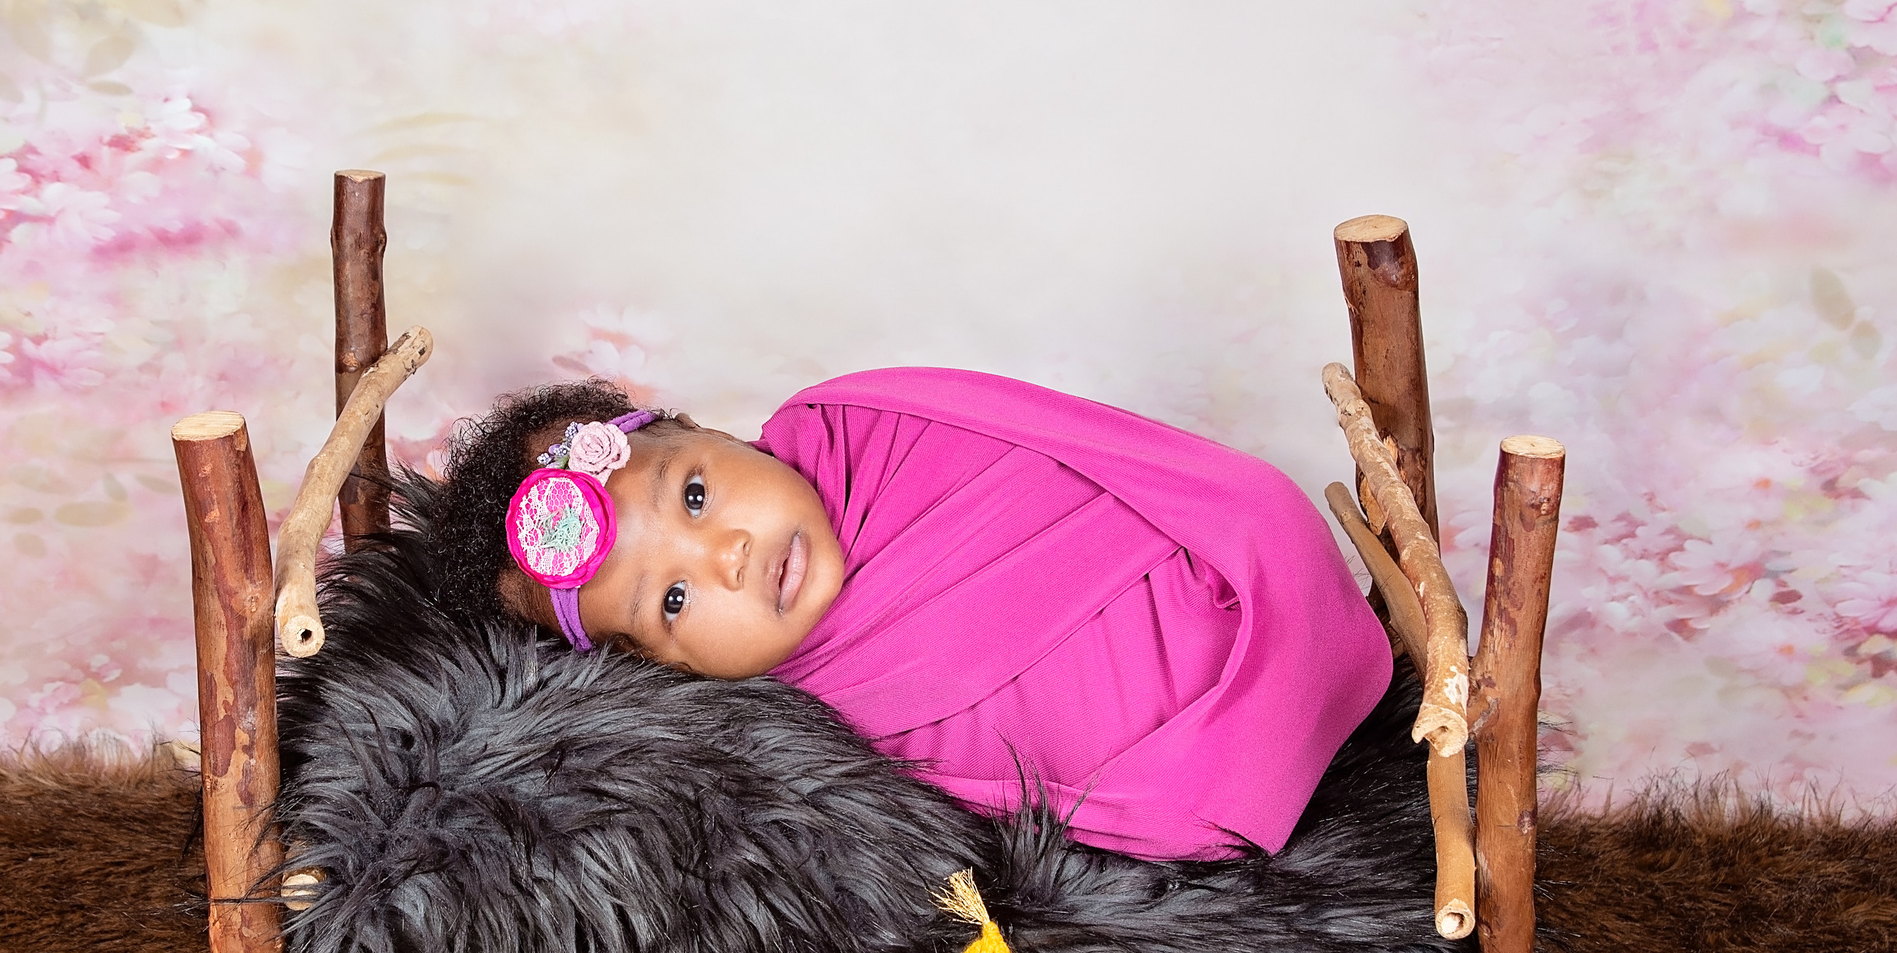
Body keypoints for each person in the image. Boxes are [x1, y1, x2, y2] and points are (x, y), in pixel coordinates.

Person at [432, 367, 1394, 861]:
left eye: (693, 494)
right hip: (1196, 764)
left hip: (1238, 567)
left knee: (1248, 528)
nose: (728, 554)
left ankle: (1279, 667)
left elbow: (1080, 451)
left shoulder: (869, 427)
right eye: (675, 600)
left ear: (716, 433)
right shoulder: (795, 741)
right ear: (666, 669)